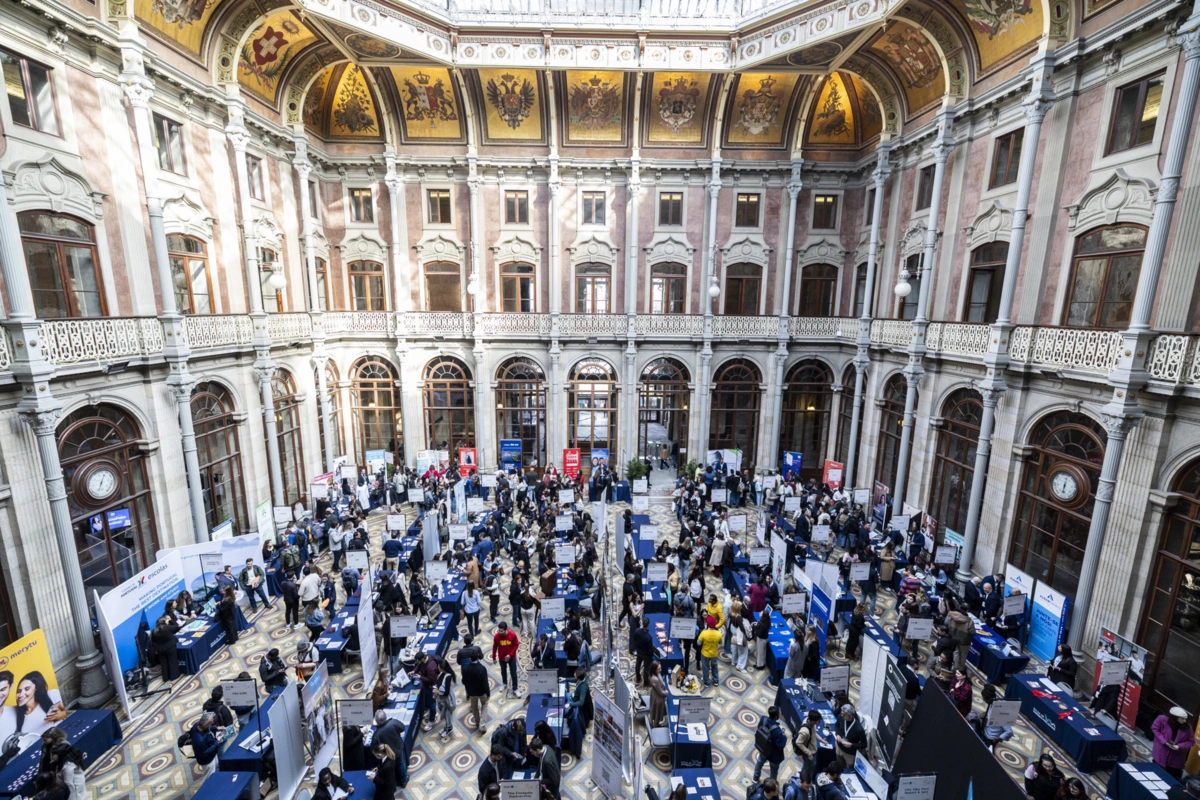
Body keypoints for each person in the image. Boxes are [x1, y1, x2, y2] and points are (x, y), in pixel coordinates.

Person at [37, 728, 84, 800]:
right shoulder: (44, 746)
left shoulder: (67, 766)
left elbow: (69, 785)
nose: (44, 741)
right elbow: (42, 759)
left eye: (46, 739)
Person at [1153, 707, 1196, 779]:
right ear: (1175, 717)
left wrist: (1179, 746)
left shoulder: (1188, 727)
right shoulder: (1161, 719)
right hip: (1161, 754)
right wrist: (1164, 741)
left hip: (1175, 759)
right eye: (1182, 718)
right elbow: (1155, 729)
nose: (1185, 721)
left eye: (1185, 719)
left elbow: (1191, 741)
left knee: (1169, 779)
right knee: (1155, 774)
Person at [753, 706, 788, 782]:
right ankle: (771, 784)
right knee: (773, 771)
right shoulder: (778, 731)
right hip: (774, 755)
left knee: (759, 762)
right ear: (776, 716)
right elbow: (780, 745)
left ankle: (755, 777)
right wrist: (784, 737)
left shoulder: (763, 719)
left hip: (764, 748)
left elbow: (759, 728)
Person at [188, 712, 225, 777]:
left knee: (216, 769)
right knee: (209, 777)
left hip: (212, 755)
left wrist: (216, 728)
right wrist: (217, 741)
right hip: (208, 761)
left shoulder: (197, 725)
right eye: (211, 722)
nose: (212, 723)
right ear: (205, 724)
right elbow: (205, 753)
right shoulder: (200, 740)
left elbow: (208, 727)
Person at [462, 655, 491, 735]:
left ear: (470, 658)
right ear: (477, 658)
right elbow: (485, 683)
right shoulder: (482, 668)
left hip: (471, 692)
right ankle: (482, 725)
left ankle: (477, 722)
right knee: (485, 705)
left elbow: (464, 681)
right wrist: (488, 693)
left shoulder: (466, 668)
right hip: (481, 692)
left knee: (474, 707)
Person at [492, 622, 521, 698]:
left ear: (506, 629)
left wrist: (510, 654)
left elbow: (516, 644)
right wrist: (494, 657)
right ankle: (504, 683)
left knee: (513, 673)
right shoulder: (496, 637)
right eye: (499, 630)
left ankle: (515, 688)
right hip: (502, 658)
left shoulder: (512, 635)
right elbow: (494, 647)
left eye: (502, 631)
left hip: (512, 658)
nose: (500, 632)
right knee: (503, 671)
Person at [833, 704, 865, 770]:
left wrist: (851, 745)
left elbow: (864, 744)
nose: (842, 715)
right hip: (839, 748)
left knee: (848, 770)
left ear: (850, 716)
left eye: (844, 715)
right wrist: (837, 734)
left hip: (849, 754)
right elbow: (837, 725)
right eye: (842, 713)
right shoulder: (841, 717)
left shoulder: (859, 729)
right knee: (839, 766)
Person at [151, 615, 181, 683]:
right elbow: (176, 625)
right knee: (172, 661)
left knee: (163, 663)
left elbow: (153, 641)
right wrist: (170, 620)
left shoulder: (154, 631)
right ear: (164, 622)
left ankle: (165, 677)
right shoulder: (167, 628)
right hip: (170, 647)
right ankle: (174, 676)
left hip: (160, 649)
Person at [435, 657, 458, 740]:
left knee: (447, 715)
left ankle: (449, 728)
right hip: (442, 699)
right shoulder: (441, 673)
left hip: (447, 701)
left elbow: (446, 692)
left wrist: (437, 692)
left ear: (443, 668)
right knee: (444, 714)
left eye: (439, 666)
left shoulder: (448, 677)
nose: (437, 667)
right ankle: (446, 726)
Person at [698, 617, 723, 689]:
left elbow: (698, 643)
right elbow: (721, 643)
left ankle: (706, 681)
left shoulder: (704, 633)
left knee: (705, 667)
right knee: (714, 666)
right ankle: (716, 680)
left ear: (707, 624)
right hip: (714, 653)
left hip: (705, 653)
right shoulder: (718, 633)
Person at [631, 618, 655, 687]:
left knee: (638, 664)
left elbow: (634, 639)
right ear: (648, 625)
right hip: (646, 655)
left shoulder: (637, 631)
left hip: (639, 652)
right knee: (646, 668)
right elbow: (650, 650)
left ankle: (638, 678)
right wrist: (651, 655)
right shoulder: (649, 637)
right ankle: (646, 682)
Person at [648, 662, 668, 728]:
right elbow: (660, 692)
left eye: (660, 668)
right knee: (657, 716)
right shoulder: (655, 679)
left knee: (657, 715)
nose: (661, 670)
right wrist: (666, 693)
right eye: (659, 669)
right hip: (657, 699)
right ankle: (655, 728)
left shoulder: (655, 674)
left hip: (655, 694)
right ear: (654, 670)